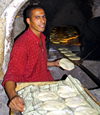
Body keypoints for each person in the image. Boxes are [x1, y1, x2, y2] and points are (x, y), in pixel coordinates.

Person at [2, 5, 60, 112]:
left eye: (44, 16)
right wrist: (13, 96)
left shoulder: (41, 37)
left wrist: (54, 63)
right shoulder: (22, 45)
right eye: (37, 17)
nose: (42, 21)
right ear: (28, 21)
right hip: (32, 91)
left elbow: (37, 62)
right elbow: (11, 74)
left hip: (45, 84)